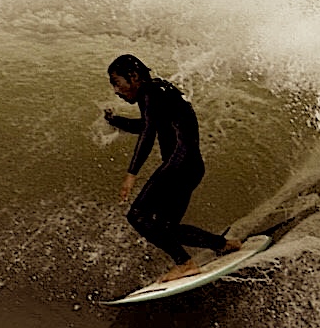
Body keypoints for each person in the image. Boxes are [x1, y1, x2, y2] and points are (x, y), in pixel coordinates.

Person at [103, 54, 241, 282]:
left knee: (138, 215)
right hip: (191, 166)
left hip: (179, 163)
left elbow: (147, 133)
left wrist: (131, 174)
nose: (116, 91)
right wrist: (115, 120)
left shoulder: (148, 92)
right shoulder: (160, 90)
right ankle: (224, 245)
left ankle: (185, 264)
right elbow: (146, 125)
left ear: (134, 76)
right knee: (166, 227)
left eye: (117, 83)